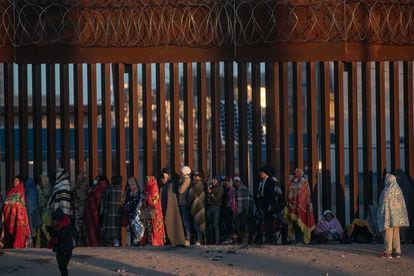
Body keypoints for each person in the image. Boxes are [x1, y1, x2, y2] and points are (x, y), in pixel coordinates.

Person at [377, 173, 409, 258]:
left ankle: (388, 252)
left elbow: (383, 204)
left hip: (389, 217)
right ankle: (397, 251)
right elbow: (402, 204)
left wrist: (381, 216)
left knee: (388, 233)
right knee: (396, 234)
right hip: (397, 217)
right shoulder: (398, 189)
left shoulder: (387, 189)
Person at [284, 168, 315, 244]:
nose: (297, 174)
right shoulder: (291, 182)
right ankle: (294, 239)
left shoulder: (305, 182)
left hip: (303, 206)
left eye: (299, 172)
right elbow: (288, 193)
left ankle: (301, 240)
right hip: (293, 207)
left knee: (301, 222)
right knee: (293, 223)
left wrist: (307, 203)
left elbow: (307, 194)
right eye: (296, 172)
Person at [1, 175, 31, 248]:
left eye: (16, 181)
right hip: (10, 213)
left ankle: (19, 244)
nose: (14, 182)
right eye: (14, 181)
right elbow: (6, 200)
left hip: (19, 213)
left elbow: (20, 201)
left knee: (19, 229)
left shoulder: (20, 189)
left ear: (19, 182)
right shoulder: (11, 189)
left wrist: (10, 204)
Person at [158, 168, 185, 246]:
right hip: (169, 208)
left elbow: (170, 200)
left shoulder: (170, 185)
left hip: (170, 209)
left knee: (172, 223)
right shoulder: (167, 185)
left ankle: (175, 240)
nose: (162, 179)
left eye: (164, 177)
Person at [255, 165, 280, 244]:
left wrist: (269, 204)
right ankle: (266, 238)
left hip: (268, 204)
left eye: (261, 172)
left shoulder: (270, 181)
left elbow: (271, 194)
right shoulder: (263, 181)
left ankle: (270, 239)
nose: (260, 173)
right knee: (265, 222)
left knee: (269, 222)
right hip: (263, 204)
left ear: (266, 173)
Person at [48, 207, 75, 276]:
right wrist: (52, 230)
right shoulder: (61, 223)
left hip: (66, 249)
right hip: (62, 249)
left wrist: (53, 230)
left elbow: (62, 235)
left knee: (63, 267)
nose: (55, 220)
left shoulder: (66, 223)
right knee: (62, 267)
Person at [85, 176, 109, 246]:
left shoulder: (94, 190)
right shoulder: (105, 190)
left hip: (93, 214)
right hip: (101, 215)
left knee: (92, 231)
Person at [233, 176, 257, 244]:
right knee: (238, 226)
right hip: (237, 211)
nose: (236, 182)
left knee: (245, 227)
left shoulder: (245, 189)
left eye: (237, 181)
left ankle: (246, 241)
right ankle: (241, 240)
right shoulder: (234, 190)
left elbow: (248, 200)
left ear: (240, 182)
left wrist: (246, 209)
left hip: (244, 211)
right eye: (235, 181)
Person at [142, 176, 164, 246]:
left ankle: (156, 241)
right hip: (148, 211)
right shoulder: (147, 188)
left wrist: (147, 197)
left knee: (155, 227)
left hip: (155, 211)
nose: (146, 182)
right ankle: (149, 241)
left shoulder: (154, 188)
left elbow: (154, 200)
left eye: (148, 180)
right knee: (148, 226)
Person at [101, 175, 122, 246]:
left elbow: (104, 202)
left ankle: (110, 243)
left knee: (109, 232)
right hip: (118, 214)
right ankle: (117, 242)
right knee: (117, 230)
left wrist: (102, 212)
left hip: (109, 214)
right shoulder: (121, 190)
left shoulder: (109, 189)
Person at [124, 177, 144, 246]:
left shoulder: (137, 190)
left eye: (133, 182)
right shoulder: (128, 191)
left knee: (137, 227)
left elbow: (139, 201)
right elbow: (125, 200)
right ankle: (134, 242)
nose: (132, 184)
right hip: (130, 212)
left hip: (137, 212)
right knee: (132, 228)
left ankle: (137, 242)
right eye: (130, 182)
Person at [188, 170, 206, 245]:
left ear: (200, 177)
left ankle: (200, 239)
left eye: (196, 176)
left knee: (199, 224)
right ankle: (200, 239)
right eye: (194, 176)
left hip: (200, 206)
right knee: (196, 224)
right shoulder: (194, 185)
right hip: (195, 206)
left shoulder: (199, 185)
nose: (195, 177)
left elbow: (191, 195)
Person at [35, 175, 53, 248]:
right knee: (39, 226)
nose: (40, 182)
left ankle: (49, 239)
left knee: (42, 225)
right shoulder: (43, 188)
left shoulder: (48, 188)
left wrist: (39, 191)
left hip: (47, 211)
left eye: (41, 181)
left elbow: (44, 199)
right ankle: (38, 244)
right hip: (42, 210)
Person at [72, 172, 89, 246]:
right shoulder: (81, 187)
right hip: (79, 210)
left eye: (79, 178)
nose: (77, 180)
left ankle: (81, 242)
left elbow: (80, 198)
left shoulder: (83, 188)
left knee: (80, 226)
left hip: (80, 210)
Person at [178, 166, 192, 245]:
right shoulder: (184, 179)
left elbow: (181, 190)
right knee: (184, 221)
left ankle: (188, 238)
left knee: (186, 221)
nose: (180, 173)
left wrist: (179, 183)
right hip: (182, 202)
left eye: (181, 172)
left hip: (184, 203)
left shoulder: (186, 180)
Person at [207, 176, 224, 245]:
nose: (213, 181)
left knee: (215, 225)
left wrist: (211, 193)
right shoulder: (211, 187)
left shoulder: (220, 188)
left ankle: (216, 241)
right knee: (210, 225)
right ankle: (210, 241)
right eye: (213, 180)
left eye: (215, 180)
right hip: (209, 207)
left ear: (218, 181)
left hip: (216, 208)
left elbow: (217, 199)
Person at [24, 177, 40, 247]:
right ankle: (33, 242)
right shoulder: (33, 188)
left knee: (30, 226)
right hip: (34, 210)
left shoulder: (27, 189)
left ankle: (31, 243)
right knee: (33, 227)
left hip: (28, 210)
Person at [222, 176, 236, 244]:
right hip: (226, 208)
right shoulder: (226, 189)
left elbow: (232, 200)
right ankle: (229, 238)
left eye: (227, 181)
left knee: (229, 224)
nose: (225, 183)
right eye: (225, 181)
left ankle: (231, 238)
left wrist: (231, 209)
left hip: (230, 209)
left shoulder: (232, 189)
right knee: (227, 224)